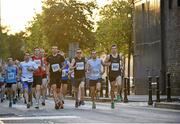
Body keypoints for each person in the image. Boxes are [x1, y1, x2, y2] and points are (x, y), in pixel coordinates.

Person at [104, 44, 123, 109]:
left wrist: (122, 66)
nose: (114, 50)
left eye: (115, 48)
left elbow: (122, 62)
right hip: (111, 74)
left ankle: (118, 94)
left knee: (120, 84)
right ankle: (112, 101)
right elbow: (104, 63)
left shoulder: (119, 56)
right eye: (112, 49)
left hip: (118, 73)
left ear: (116, 49)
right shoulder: (108, 56)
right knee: (112, 89)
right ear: (111, 50)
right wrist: (108, 64)